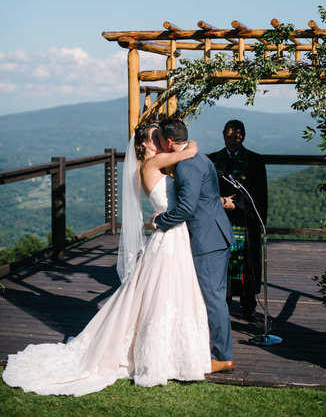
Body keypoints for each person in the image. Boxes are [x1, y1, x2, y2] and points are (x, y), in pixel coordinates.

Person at [2, 124, 211, 396]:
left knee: (168, 294)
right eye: (155, 137)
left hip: (170, 235)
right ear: (146, 144)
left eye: (161, 136)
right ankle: (162, 357)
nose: (160, 140)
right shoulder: (154, 162)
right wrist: (189, 144)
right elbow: (189, 149)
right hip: (169, 236)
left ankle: (172, 354)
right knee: (164, 295)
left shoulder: (151, 164)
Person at [153, 118, 236, 374]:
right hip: (217, 233)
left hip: (207, 239)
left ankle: (223, 357)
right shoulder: (199, 156)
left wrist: (160, 221)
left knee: (213, 299)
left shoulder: (186, 166)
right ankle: (215, 348)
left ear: (168, 142)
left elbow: (187, 208)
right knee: (215, 296)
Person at [208, 119, 268, 320]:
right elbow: (206, 190)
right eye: (229, 137)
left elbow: (258, 193)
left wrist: (238, 205)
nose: (233, 141)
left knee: (247, 263)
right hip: (220, 219)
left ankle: (248, 304)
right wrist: (221, 203)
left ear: (243, 136)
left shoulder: (255, 161)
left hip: (245, 219)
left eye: (237, 137)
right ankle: (222, 303)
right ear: (223, 136)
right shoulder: (213, 160)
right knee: (222, 263)